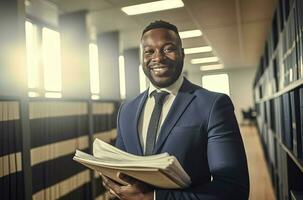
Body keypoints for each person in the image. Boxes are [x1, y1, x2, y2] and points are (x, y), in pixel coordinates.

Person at [101, 20, 250, 200]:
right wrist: (115, 185)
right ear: (142, 58)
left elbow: (234, 189)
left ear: (182, 54)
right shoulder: (127, 110)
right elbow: (122, 171)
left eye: (168, 49)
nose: (158, 57)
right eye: (149, 51)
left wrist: (154, 197)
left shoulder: (213, 105)